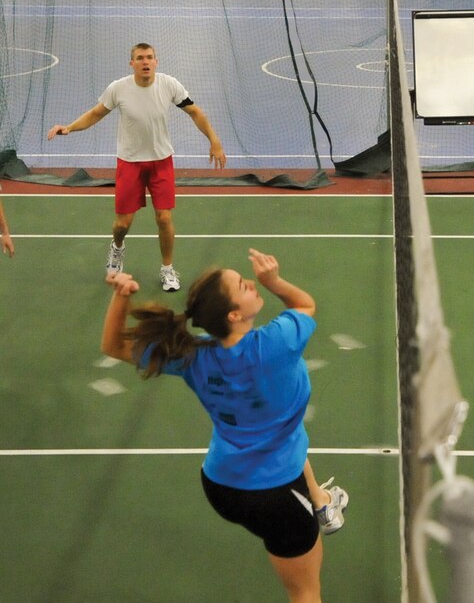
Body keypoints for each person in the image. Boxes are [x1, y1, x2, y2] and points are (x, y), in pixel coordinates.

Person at [101, 247, 348, 603]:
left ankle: (322, 502)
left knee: (286, 433)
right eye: (243, 286)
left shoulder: (191, 357)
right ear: (234, 314)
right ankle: (313, 505)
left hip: (221, 487)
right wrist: (273, 281)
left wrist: (121, 297)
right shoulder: (277, 343)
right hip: (274, 496)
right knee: (306, 592)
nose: (250, 283)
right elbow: (305, 305)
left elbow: (112, 346)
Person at [47, 43, 226, 291]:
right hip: (130, 162)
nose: (145, 62)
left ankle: (167, 269)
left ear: (156, 61)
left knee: (164, 218)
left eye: (150, 58)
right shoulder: (118, 88)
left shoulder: (169, 85)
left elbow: (194, 112)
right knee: (122, 224)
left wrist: (214, 140)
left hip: (161, 162)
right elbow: (96, 114)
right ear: (132, 63)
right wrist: (69, 127)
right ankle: (117, 249)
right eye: (140, 58)